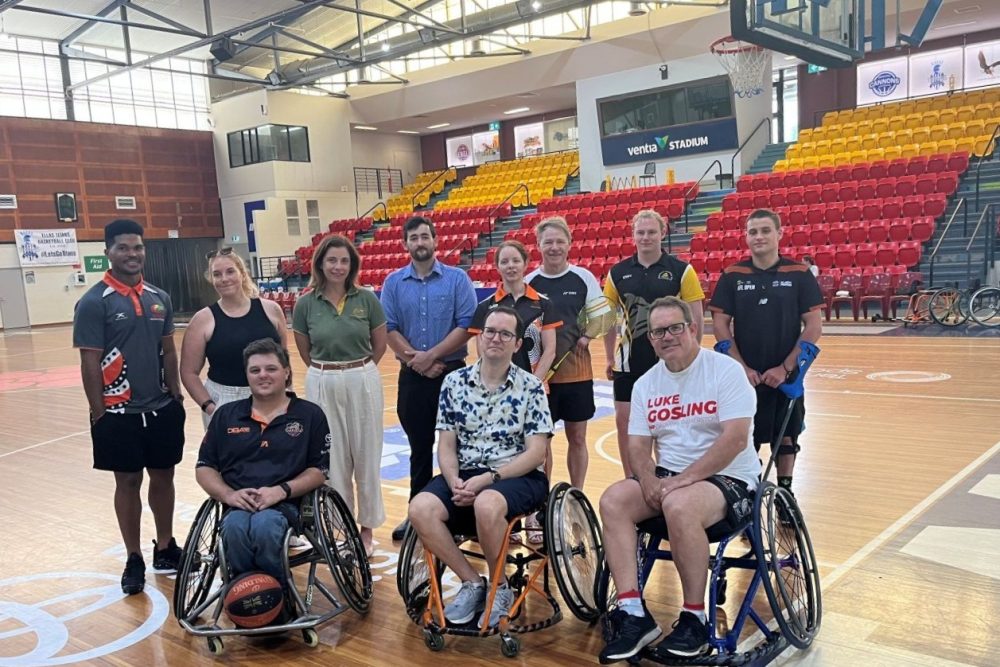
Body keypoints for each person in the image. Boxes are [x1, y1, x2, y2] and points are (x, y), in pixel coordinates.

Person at [598, 297, 759, 662]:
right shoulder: (645, 384)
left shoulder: (724, 370)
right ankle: (634, 613)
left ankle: (695, 618)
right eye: (658, 331)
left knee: (678, 503)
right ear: (651, 339)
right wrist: (648, 477)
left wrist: (681, 481)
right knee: (613, 500)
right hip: (671, 478)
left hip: (729, 477)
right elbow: (637, 446)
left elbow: (734, 439)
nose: (667, 336)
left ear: (692, 328)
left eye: (674, 328)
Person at [407, 307, 553, 628]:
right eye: (490, 331)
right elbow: (445, 445)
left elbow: (537, 453)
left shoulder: (531, 387)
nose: (495, 339)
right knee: (420, 507)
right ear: (479, 336)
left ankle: (499, 587)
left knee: (487, 503)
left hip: (518, 475)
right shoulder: (454, 383)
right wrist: (454, 480)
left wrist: (489, 479)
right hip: (467, 475)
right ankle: (473, 582)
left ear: (517, 345)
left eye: (505, 334)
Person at [73, 218, 186, 595]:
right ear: (108, 252)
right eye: (123, 247)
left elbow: (169, 350)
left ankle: (166, 546)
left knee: (164, 475)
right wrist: (98, 411)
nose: (132, 254)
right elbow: (90, 362)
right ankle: (134, 556)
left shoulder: (160, 297)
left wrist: (176, 394)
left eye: (137, 247)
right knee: (128, 481)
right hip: (117, 413)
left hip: (160, 408)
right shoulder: (93, 302)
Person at [709, 209, 823, 513]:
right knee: (747, 437)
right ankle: (750, 494)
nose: (758, 237)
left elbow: (814, 326)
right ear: (746, 236)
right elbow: (720, 325)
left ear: (779, 234)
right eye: (752, 232)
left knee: (788, 435)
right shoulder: (733, 275)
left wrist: (786, 368)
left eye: (764, 231)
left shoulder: (799, 273)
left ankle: (786, 496)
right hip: (744, 375)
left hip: (787, 374)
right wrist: (740, 368)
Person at [195, 338, 330, 582]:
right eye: (255, 370)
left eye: (271, 369)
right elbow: (205, 468)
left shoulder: (310, 415)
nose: (262, 375)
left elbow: (319, 470)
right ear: (246, 375)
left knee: (265, 526)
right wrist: (228, 495)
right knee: (235, 529)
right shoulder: (226, 415)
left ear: (286, 372)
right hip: (237, 504)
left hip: (287, 504)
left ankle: (274, 597)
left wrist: (281, 491)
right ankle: (244, 598)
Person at [381, 216, 478, 541]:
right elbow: (389, 328)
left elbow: (467, 324)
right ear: (406, 244)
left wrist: (432, 356)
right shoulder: (393, 283)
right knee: (419, 449)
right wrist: (417, 361)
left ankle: (464, 516)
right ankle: (417, 515)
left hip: (453, 375)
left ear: (435, 240)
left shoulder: (457, 279)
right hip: (413, 376)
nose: (420, 242)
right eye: (414, 238)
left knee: (463, 448)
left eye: (425, 236)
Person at [292, 234, 387, 557]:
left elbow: (380, 344)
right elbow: (305, 351)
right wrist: (328, 373)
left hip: (362, 377)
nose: (337, 266)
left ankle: (367, 530)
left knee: (367, 455)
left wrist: (356, 373)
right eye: (331, 260)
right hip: (322, 379)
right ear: (320, 263)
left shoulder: (367, 299)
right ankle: (341, 528)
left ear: (352, 265)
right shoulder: (306, 303)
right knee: (332, 460)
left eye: (344, 260)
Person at [603, 209, 705, 478]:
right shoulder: (618, 272)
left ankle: (666, 476)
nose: (646, 237)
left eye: (651, 232)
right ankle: (632, 480)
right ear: (633, 235)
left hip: (669, 361)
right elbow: (608, 320)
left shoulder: (682, 271)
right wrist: (609, 358)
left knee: (667, 423)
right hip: (629, 360)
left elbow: (696, 318)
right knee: (624, 422)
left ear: (663, 233)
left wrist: (691, 358)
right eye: (640, 232)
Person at [525, 216, 602, 490]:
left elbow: (601, 315)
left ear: (569, 243)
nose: (554, 247)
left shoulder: (583, 277)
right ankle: (540, 498)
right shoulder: (529, 281)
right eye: (548, 242)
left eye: (560, 241)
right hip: (540, 378)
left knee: (578, 438)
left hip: (577, 374)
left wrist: (586, 336)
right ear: (538, 245)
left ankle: (577, 494)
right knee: (540, 444)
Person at [181, 248, 286, 429]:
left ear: (242, 274)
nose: (224, 279)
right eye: (217, 274)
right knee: (230, 458)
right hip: (226, 399)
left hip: (272, 397)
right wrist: (210, 407)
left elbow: (284, 360)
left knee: (276, 455)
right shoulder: (202, 320)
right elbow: (188, 372)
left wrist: (285, 395)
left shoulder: (272, 310)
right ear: (211, 279)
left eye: (230, 271)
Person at [469, 240, 560, 381]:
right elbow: (483, 351)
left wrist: (532, 385)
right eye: (504, 262)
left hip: (533, 386)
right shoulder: (485, 306)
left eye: (516, 261)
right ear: (498, 267)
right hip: (497, 386)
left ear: (525, 264)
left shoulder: (544, 304)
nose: (510, 266)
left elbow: (550, 351)